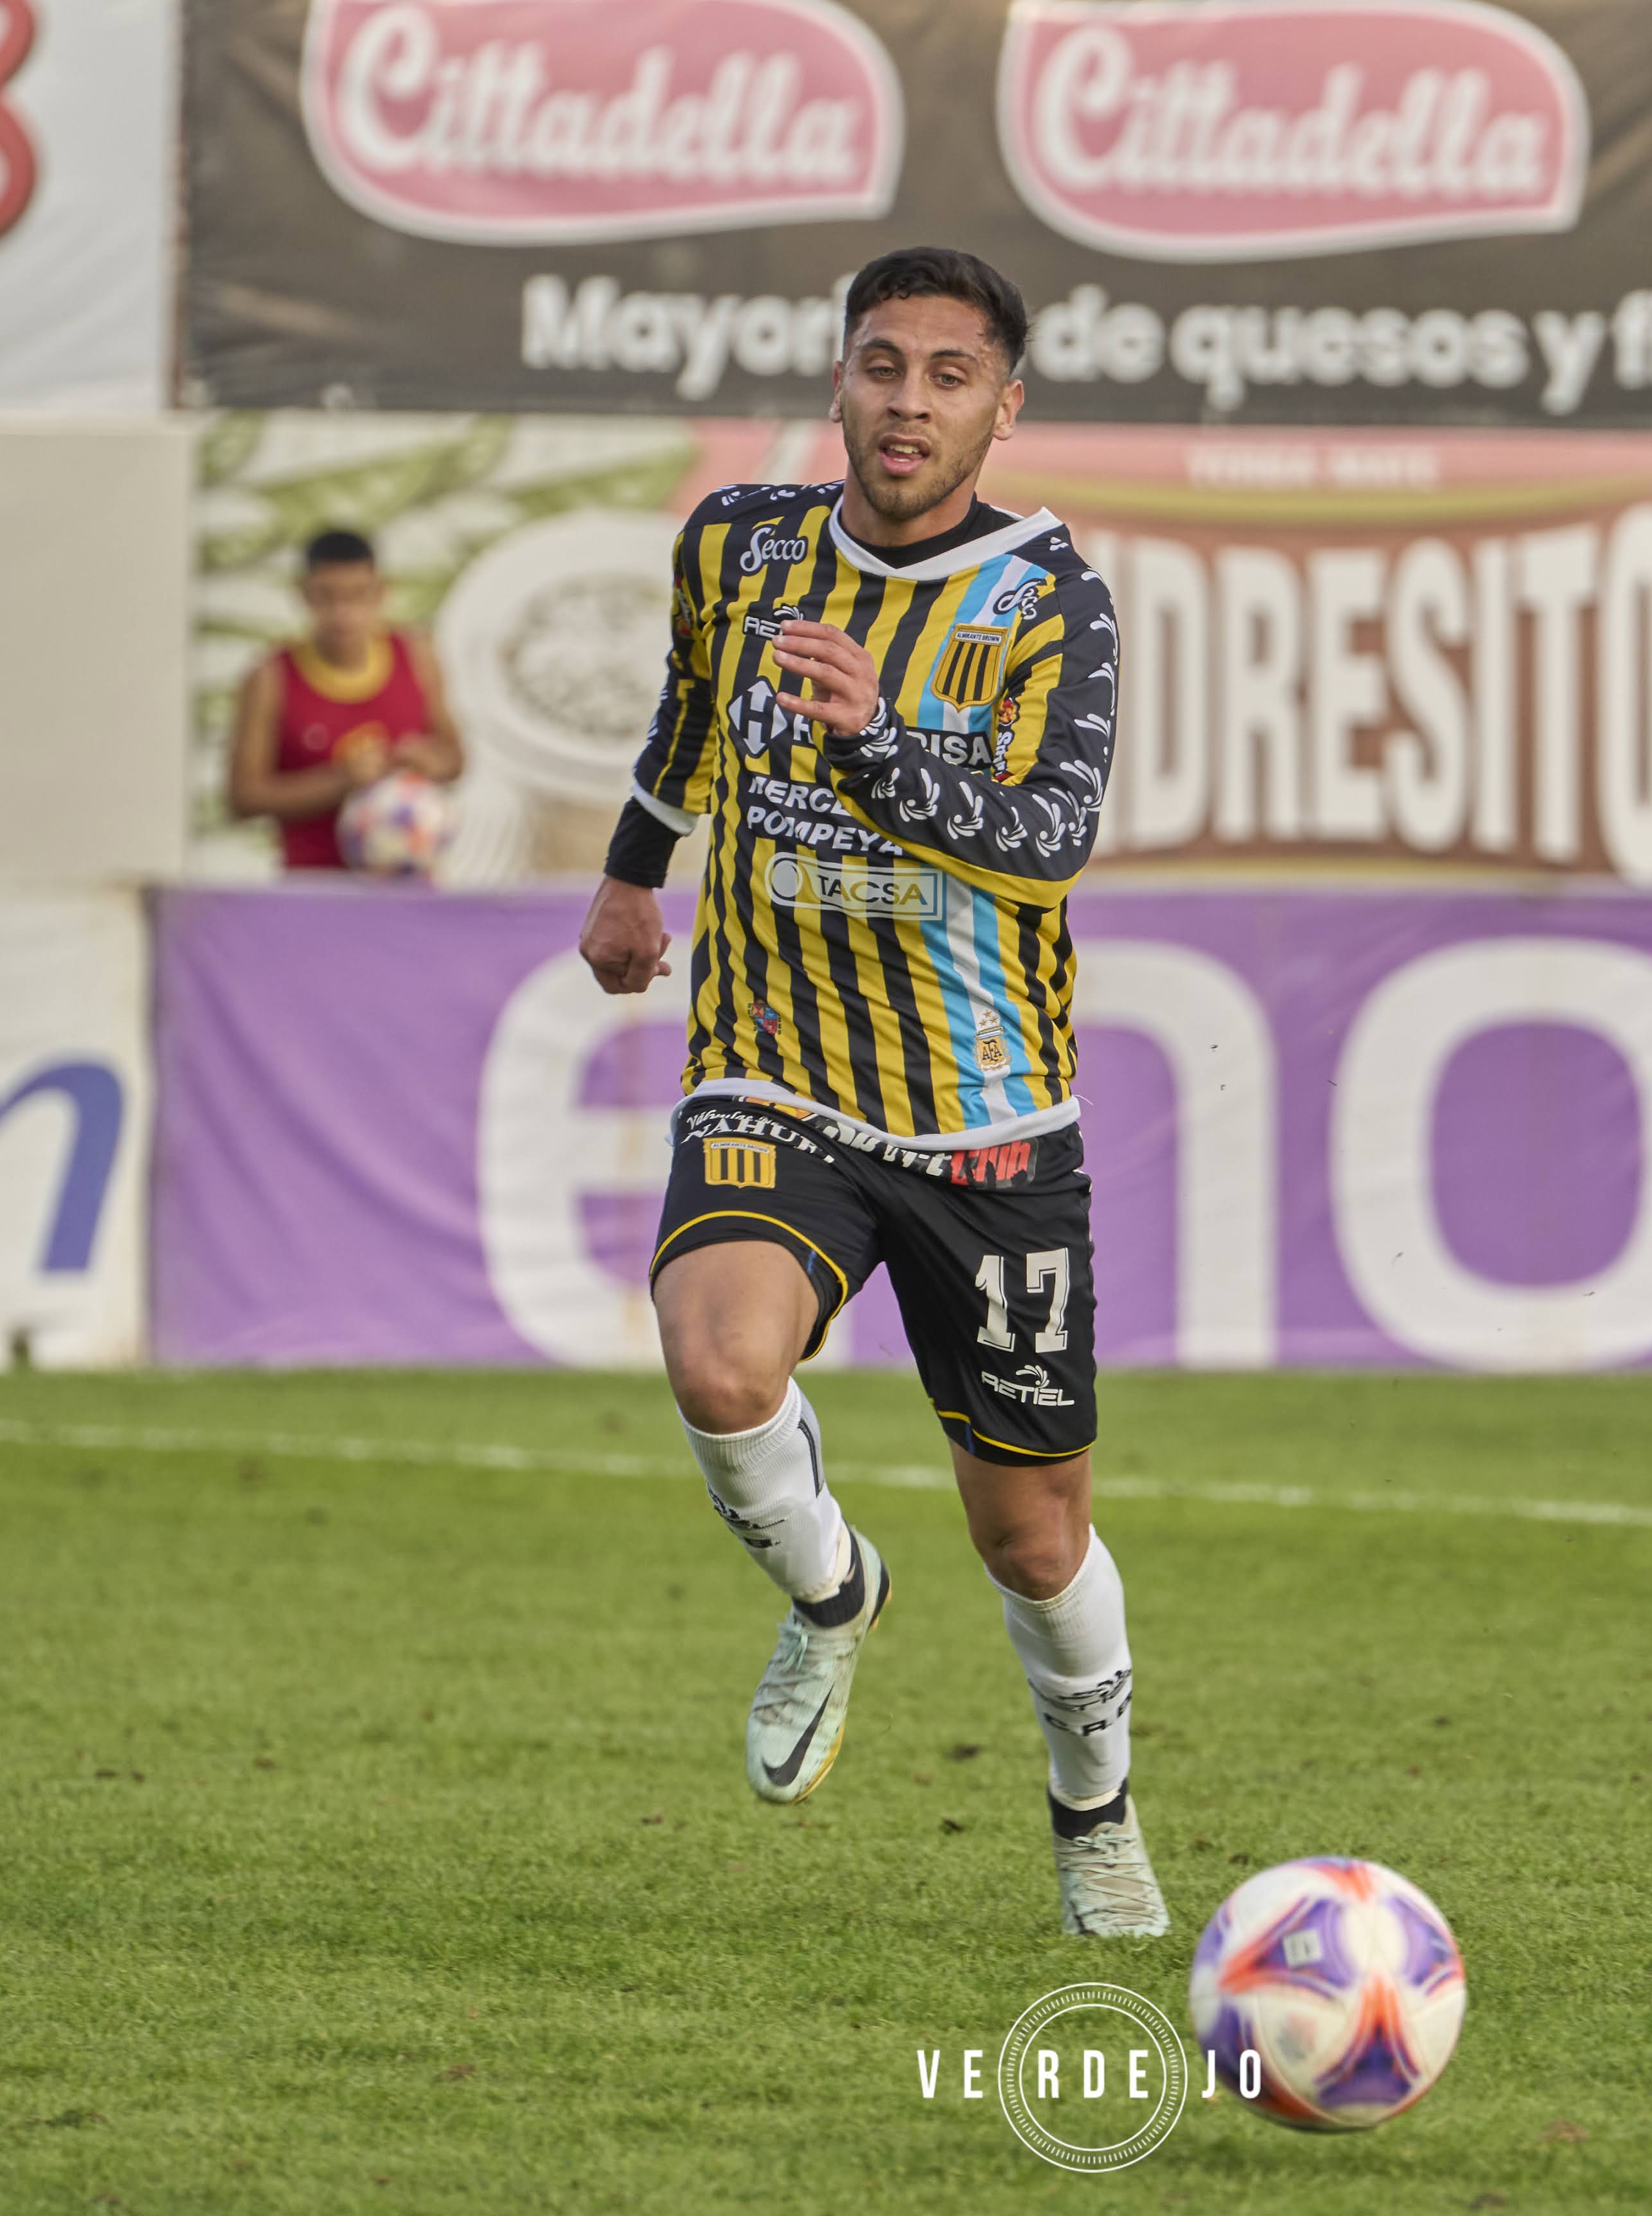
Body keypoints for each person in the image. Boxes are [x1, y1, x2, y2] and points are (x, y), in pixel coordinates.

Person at [576, 246, 1160, 1937]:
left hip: (987, 1120)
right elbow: (693, 708)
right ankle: (832, 1590)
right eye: (883, 365)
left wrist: (869, 751)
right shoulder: (741, 546)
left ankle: (1093, 1802)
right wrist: (634, 873)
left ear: (1004, 405)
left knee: (1038, 1545)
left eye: (949, 375)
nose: (910, 402)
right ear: (838, 378)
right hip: (773, 1064)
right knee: (715, 1352)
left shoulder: (1050, 599)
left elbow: (1049, 844)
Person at [227, 527, 464, 870]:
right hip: (314, 891)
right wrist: (341, 780)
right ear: (304, 594)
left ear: (381, 591)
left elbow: (455, 759)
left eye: (357, 595)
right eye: (327, 596)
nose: (343, 613)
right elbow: (243, 797)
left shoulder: (417, 656)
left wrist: (426, 762)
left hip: (410, 890)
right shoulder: (271, 677)